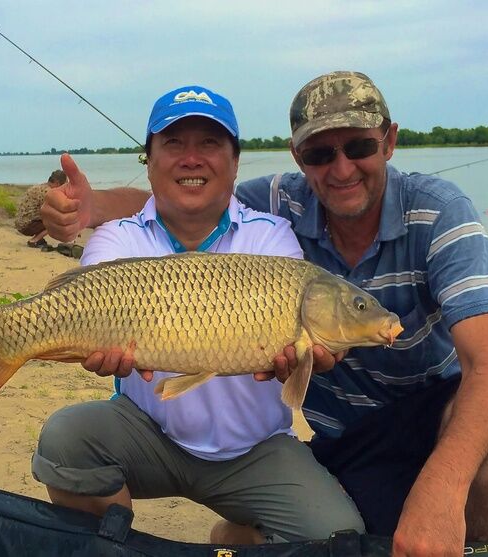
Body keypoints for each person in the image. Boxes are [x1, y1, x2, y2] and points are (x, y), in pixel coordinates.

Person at [41, 72, 488, 556]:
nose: (340, 169)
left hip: (422, 414)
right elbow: (183, 196)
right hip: (333, 437)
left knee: (486, 445)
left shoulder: (431, 213)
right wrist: (94, 206)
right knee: (66, 438)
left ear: (389, 141)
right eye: (321, 153)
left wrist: (442, 492)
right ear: (299, 158)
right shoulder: (281, 200)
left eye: (359, 147)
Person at [31, 85, 365, 544]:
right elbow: (88, 304)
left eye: (209, 144)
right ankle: (113, 547)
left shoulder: (271, 239)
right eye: (173, 144)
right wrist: (89, 348)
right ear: (148, 161)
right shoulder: (116, 239)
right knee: (67, 440)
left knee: (334, 538)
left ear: (234, 162)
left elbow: (301, 365)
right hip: (148, 433)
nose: (192, 159)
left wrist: (307, 358)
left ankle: (233, 536)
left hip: (256, 450)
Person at [14, 169, 67, 250]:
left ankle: (38, 238)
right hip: (26, 225)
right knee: (56, 222)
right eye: (63, 185)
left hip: (21, 222)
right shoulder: (48, 193)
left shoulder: (40, 187)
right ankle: (34, 241)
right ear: (57, 183)